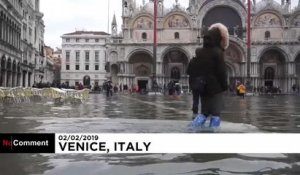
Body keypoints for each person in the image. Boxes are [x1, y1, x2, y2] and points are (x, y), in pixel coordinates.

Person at [187, 23, 229, 128]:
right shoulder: (217, 52)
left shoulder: (199, 51)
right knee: (216, 114)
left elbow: (192, 69)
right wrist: (225, 86)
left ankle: (192, 128)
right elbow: (221, 72)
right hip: (215, 88)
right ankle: (213, 134)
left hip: (203, 87)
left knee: (204, 112)